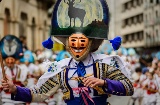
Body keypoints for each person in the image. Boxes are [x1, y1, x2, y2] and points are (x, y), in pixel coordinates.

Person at [1, 0, 134, 105]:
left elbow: (128, 87)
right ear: (67, 43)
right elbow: (39, 93)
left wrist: (103, 83)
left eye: (82, 41)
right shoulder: (60, 68)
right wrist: (15, 89)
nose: (77, 45)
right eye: (73, 41)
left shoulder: (104, 64)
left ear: (91, 42)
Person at [0, 35, 28, 105]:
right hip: (6, 99)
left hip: (20, 100)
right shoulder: (1, 71)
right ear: (5, 60)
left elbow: (26, 84)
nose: (9, 62)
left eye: (11, 60)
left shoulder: (23, 69)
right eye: (8, 60)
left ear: (15, 60)